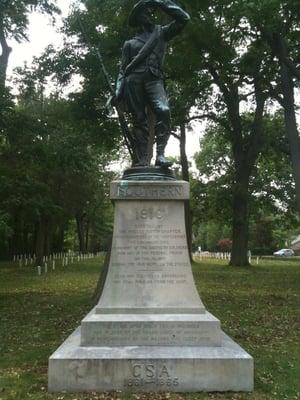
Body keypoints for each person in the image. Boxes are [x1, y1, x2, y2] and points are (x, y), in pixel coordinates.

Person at [115, 0, 190, 167]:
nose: (150, 14)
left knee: (164, 110)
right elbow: (122, 71)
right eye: (146, 12)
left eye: (150, 11)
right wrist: (116, 92)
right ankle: (142, 159)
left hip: (154, 79)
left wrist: (162, 3)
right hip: (133, 82)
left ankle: (160, 155)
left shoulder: (161, 33)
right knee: (139, 121)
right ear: (139, 18)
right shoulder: (129, 44)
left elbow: (184, 19)